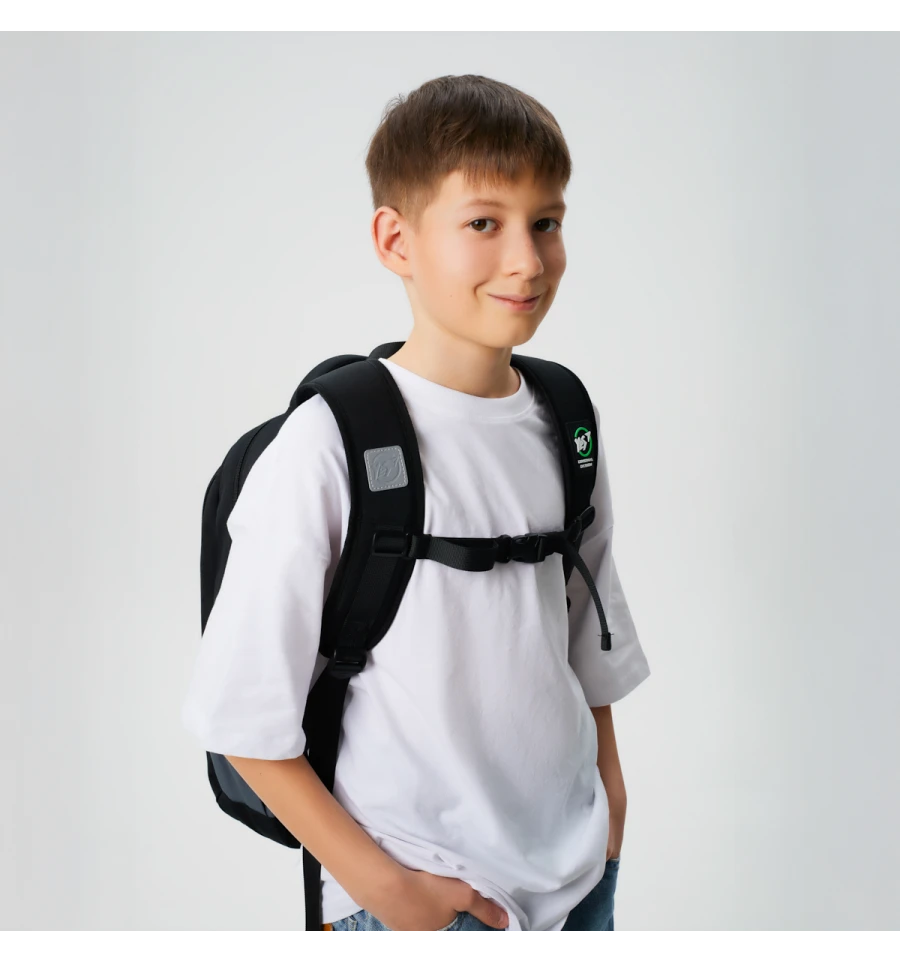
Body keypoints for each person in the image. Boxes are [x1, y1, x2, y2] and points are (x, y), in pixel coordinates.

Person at [182, 73, 651, 935]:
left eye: (546, 222)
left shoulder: (566, 417)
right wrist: (390, 894)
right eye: (484, 223)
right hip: (420, 901)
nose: (527, 259)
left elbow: (585, 630)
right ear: (396, 240)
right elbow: (241, 719)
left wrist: (610, 804)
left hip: (578, 883)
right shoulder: (328, 444)